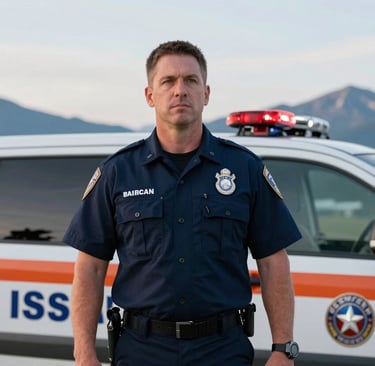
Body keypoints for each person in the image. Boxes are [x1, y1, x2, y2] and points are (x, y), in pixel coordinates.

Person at [64, 40, 301, 366]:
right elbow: (89, 267)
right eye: (168, 81)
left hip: (222, 350)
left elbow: (274, 261)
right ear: (150, 95)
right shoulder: (118, 172)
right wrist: (84, 350)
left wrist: (283, 347)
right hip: (141, 350)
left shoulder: (244, 169)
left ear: (206, 93)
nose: (180, 90)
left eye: (191, 80)